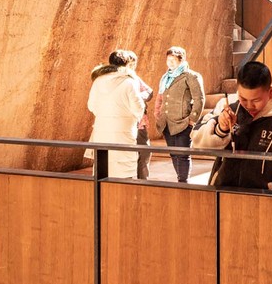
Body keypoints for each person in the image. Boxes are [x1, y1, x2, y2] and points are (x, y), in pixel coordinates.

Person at [193, 61, 272, 191]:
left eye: (256, 100)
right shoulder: (227, 107)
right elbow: (197, 143)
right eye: (243, 98)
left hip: (265, 198)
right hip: (223, 192)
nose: (249, 105)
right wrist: (221, 129)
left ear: (271, 92)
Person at [87, 49, 146, 178]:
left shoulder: (98, 80)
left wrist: (104, 114)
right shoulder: (129, 81)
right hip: (124, 130)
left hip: (102, 129)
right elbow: (138, 107)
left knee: (103, 166)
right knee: (124, 167)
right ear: (126, 63)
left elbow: (91, 105)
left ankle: (102, 191)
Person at [154, 46, 205, 183]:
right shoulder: (166, 77)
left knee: (182, 154)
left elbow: (199, 99)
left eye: (173, 60)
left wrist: (192, 120)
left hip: (183, 122)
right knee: (173, 154)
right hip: (167, 122)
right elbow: (160, 97)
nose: (170, 63)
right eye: (168, 60)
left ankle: (183, 182)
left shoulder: (191, 76)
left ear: (181, 60)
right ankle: (180, 179)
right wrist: (158, 113)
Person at [124, 51, 153, 179]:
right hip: (127, 121)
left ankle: (143, 180)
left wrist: (139, 96)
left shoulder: (134, 77)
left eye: (134, 64)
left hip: (140, 121)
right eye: (130, 64)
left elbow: (149, 91)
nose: (132, 67)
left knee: (144, 150)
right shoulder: (121, 80)